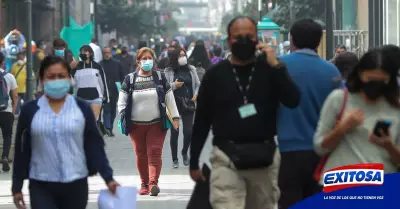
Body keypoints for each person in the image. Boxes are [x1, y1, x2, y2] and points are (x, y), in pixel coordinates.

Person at [189, 16, 300, 209]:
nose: (243, 41)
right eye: (237, 36)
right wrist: (194, 161)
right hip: (226, 158)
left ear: (258, 39)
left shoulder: (270, 69)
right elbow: (202, 120)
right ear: (228, 40)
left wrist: (277, 66)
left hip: (264, 159)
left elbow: (293, 100)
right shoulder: (215, 75)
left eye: (249, 36)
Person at [11, 55, 119, 209]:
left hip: (76, 183)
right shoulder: (30, 110)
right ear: (41, 80)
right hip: (41, 183)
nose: (56, 80)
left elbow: (94, 145)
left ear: (69, 79)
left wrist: (109, 178)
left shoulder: (82, 108)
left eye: (61, 76)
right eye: (51, 76)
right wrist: (17, 187)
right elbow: (21, 151)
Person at [276, 19, 343, 209]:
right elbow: (342, 109)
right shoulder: (331, 71)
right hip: (322, 152)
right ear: (319, 41)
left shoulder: (279, 66)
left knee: (288, 200)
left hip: (287, 150)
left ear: (292, 39)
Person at [314, 49, 400, 180]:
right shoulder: (339, 99)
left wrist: (388, 145)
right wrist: (342, 128)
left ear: (389, 79)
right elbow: (320, 147)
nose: (375, 86)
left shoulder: (395, 108)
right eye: (370, 79)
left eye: (381, 81)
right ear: (360, 74)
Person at [117, 47, 180, 196]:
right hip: (135, 126)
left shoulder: (160, 77)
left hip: (157, 124)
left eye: (149, 58)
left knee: (155, 152)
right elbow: (122, 99)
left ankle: (153, 183)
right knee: (141, 154)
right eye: (144, 59)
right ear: (138, 61)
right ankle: (144, 183)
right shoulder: (130, 79)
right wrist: (122, 114)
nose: (147, 61)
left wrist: (176, 118)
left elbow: (169, 98)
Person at [165, 47, 200, 168]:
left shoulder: (191, 69)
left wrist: (196, 94)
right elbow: (164, 86)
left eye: (184, 55)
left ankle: (184, 152)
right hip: (173, 104)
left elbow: (198, 85)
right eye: (180, 56)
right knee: (175, 132)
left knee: (189, 132)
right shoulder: (168, 71)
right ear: (175, 57)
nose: (183, 58)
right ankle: (175, 159)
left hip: (188, 103)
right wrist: (174, 85)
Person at [72, 45, 109, 119]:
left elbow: (103, 82)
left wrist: (106, 97)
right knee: (83, 122)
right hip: (81, 99)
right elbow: (73, 83)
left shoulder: (97, 66)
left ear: (90, 53)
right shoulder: (77, 67)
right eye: (81, 52)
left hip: (95, 99)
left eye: (85, 51)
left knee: (93, 122)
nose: (83, 53)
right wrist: (71, 69)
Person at [100, 47, 125, 137]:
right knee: (106, 110)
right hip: (103, 92)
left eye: (108, 52)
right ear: (102, 54)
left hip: (115, 91)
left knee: (113, 111)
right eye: (104, 52)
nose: (106, 54)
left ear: (111, 53)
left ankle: (109, 127)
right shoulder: (100, 65)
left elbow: (123, 77)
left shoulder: (117, 64)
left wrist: (122, 89)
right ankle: (108, 127)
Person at [0, 52, 18, 172]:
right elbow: (15, 96)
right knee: (7, 136)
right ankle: (5, 156)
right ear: (3, 62)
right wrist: (13, 110)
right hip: (6, 111)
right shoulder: (9, 76)